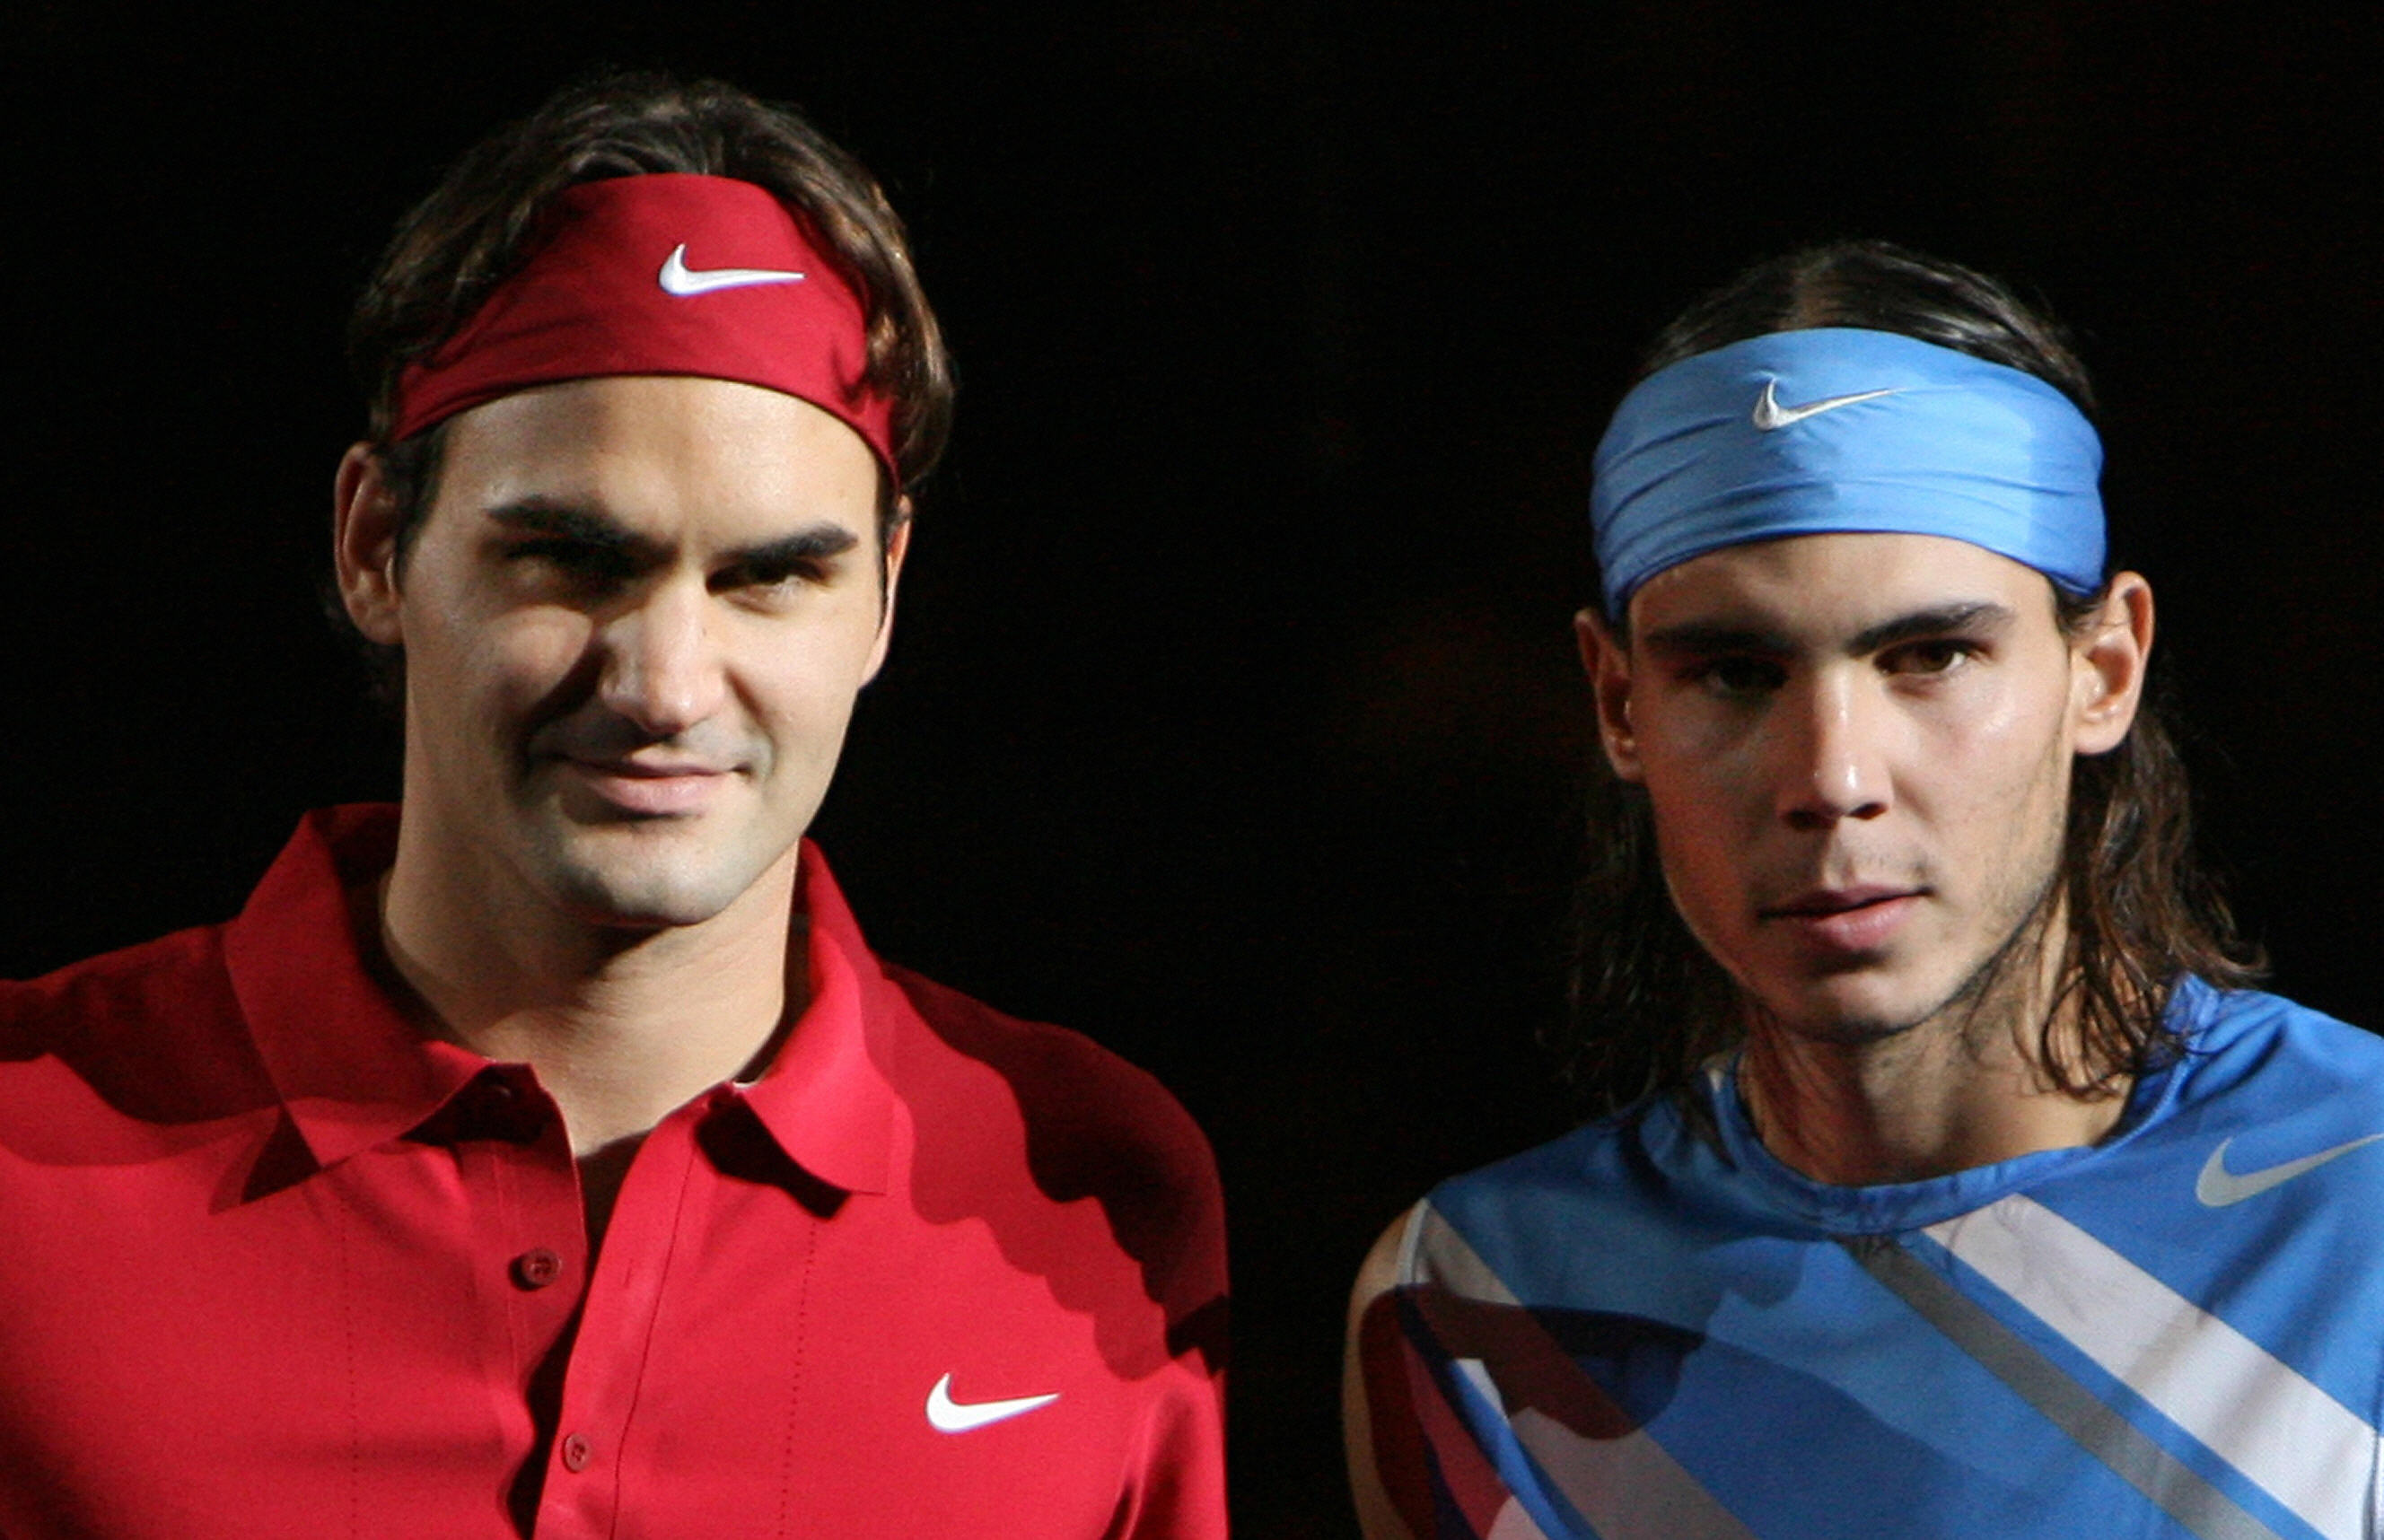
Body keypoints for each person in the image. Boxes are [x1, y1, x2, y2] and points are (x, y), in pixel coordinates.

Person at [0, 74, 1225, 1538]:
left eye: (772, 574)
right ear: (378, 545)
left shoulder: (1093, 1191)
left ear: (885, 597)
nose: (665, 681)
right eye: (572, 559)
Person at [1344, 241, 2384, 1539]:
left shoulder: (2365, 1213)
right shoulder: (1472, 1306)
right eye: (1733, 671)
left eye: (1933, 654)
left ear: (2104, 670)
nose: (1833, 778)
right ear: (1618, 702)